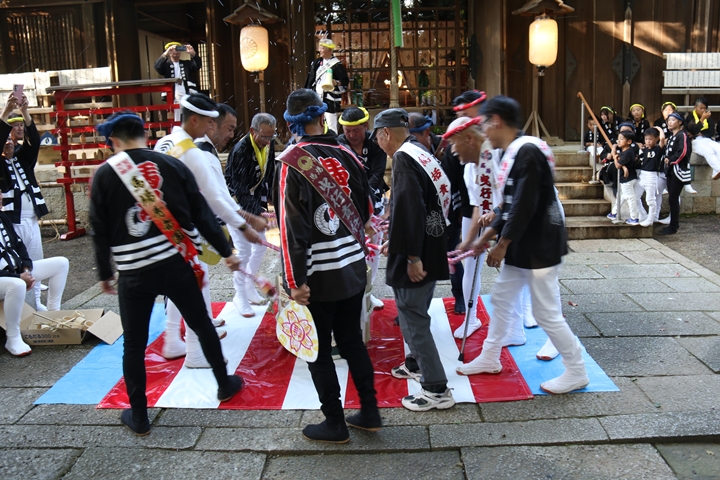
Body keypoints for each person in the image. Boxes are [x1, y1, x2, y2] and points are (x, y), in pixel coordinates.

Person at [89, 112, 243, 435]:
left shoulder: (104, 174)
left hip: (133, 273)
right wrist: (226, 251)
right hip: (175, 264)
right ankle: (224, 383)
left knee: (134, 344)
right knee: (201, 324)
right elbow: (202, 213)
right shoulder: (172, 165)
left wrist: (105, 272)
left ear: (113, 141)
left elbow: (99, 229)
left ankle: (139, 416)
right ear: (144, 134)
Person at [456, 95, 588, 395]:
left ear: (496, 121)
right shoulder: (512, 151)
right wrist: (484, 239)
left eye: (484, 123)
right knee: (502, 298)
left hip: (540, 244)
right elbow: (508, 204)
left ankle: (577, 370)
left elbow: (524, 204)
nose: (483, 131)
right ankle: (490, 356)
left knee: (545, 313)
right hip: (524, 241)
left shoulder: (527, 151)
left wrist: (501, 243)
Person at [275, 88, 380, 443]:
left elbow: (291, 227)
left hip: (317, 275)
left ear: (292, 123)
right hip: (351, 267)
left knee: (317, 350)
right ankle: (369, 412)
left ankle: (335, 422)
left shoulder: (291, 162)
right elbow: (367, 210)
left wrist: (294, 280)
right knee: (351, 341)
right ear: (323, 118)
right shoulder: (347, 153)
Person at [155, 94, 261, 366]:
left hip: (162, 226)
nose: (212, 128)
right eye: (210, 122)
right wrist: (243, 224)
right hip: (182, 228)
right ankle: (196, 351)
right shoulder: (192, 152)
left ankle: (172, 338)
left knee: (181, 284)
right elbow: (215, 199)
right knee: (196, 283)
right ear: (194, 120)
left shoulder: (165, 142)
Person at [374, 108, 455, 412]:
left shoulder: (403, 158)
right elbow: (423, 206)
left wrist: (412, 256)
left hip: (418, 252)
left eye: (377, 138)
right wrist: (395, 241)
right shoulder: (420, 150)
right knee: (413, 312)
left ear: (385, 133)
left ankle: (436, 389)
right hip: (430, 244)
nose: (378, 144)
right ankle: (415, 363)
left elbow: (410, 208)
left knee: (413, 317)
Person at [0, 200, 68, 357]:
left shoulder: (2, 216)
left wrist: (26, 269)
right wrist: (19, 277)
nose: (1, 197)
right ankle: (13, 337)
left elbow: (19, 245)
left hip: (16, 272)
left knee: (61, 263)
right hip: (7, 278)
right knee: (17, 284)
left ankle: (53, 315)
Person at [224, 113, 277, 316]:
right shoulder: (241, 150)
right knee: (244, 250)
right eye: (264, 136)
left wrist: (271, 201)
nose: (268, 141)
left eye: (271, 137)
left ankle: (248, 286)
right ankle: (239, 295)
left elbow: (269, 173)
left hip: (255, 200)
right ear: (252, 131)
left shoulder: (268, 143)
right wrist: (256, 213)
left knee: (260, 247)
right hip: (236, 203)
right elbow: (239, 189)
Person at [0, 94, 49, 311]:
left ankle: (37, 302)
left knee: (35, 262)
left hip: (31, 218)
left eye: (11, 141)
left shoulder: (22, 157)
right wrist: (6, 110)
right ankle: (23, 307)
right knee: (19, 263)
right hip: (12, 220)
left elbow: (34, 142)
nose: (9, 143)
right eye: (5, 140)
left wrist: (25, 112)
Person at [440, 90, 487, 315]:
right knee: (473, 265)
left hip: (522, 217)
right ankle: (471, 315)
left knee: (523, 272)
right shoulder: (468, 167)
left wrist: (495, 240)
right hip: (473, 209)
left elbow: (510, 204)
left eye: (467, 115)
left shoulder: (499, 151)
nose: (453, 150)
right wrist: (469, 241)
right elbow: (478, 204)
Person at [337, 107, 388, 310]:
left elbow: (377, 174)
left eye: (356, 130)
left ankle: (368, 290)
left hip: (373, 200)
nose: (351, 135)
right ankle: (349, 291)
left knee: (373, 246)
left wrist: (367, 198)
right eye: (347, 131)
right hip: (348, 203)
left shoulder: (376, 142)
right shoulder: (339, 144)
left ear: (366, 126)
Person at [304, 37, 349, 133]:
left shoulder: (337, 65)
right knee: (316, 122)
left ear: (329, 49)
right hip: (317, 97)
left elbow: (345, 81)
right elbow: (310, 80)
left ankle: (332, 140)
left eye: (322, 48)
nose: (320, 50)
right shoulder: (316, 63)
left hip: (330, 98)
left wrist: (336, 82)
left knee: (331, 123)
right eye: (320, 48)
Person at [659, 112, 692, 235]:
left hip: (678, 170)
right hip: (671, 170)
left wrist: (671, 160)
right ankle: (673, 224)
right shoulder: (672, 136)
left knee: (673, 198)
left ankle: (673, 226)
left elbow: (683, 152)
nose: (670, 122)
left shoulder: (682, 135)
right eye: (668, 120)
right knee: (672, 198)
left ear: (680, 122)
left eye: (673, 120)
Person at [154, 42, 202, 121]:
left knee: (189, 114)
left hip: (187, 92)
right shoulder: (166, 65)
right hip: (173, 94)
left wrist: (193, 54)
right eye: (173, 49)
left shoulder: (186, 63)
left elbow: (197, 66)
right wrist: (165, 54)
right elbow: (157, 67)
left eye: (178, 49)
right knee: (176, 116)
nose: (175, 51)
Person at [608, 131, 640, 225]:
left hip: (627, 179)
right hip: (627, 178)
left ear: (629, 141)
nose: (618, 141)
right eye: (618, 139)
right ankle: (614, 212)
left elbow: (618, 165)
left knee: (630, 197)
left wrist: (614, 156)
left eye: (621, 139)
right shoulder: (626, 152)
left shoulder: (627, 153)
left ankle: (634, 218)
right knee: (621, 196)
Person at [637, 128, 662, 227]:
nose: (648, 141)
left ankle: (651, 219)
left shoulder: (658, 149)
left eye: (651, 139)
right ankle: (642, 214)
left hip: (652, 175)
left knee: (650, 200)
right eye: (646, 139)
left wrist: (659, 129)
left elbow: (662, 140)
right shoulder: (644, 149)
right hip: (642, 175)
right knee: (635, 196)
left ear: (656, 139)